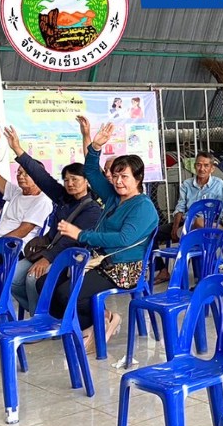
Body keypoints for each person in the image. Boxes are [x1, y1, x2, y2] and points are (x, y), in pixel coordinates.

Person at [52, 122, 159, 349]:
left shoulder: (143, 206)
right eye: (115, 175)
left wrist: (81, 234)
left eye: (125, 177)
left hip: (124, 268)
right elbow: (91, 171)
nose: (118, 181)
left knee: (66, 293)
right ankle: (103, 318)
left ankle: (96, 324)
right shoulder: (113, 197)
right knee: (50, 283)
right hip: (101, 261)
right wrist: (96, 146)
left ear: (138, 178)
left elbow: (123, 239)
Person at [2, 124, 103, 316]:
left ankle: (39, 319)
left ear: (86, 181)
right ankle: (43, 314)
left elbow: (71, 240)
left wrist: (46, 259)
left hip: (70, 254)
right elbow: (41, 177)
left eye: (75, 179)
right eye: (66, 180)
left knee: (32, 278)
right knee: (12, 279)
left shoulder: (92, 209)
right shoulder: (63, 197)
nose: (70, 184)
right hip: (48, 248)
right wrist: (17, 148)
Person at [0, 126, 54, 278]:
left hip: (12, 247)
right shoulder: (16, 192)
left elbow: (22, 231)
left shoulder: (42, 200)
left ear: (39, 176)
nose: (20, 176)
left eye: (26, 173)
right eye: (19, 172)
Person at [153, 151, 223, 284]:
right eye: (198, 165)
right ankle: (162, 270)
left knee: (196, 232)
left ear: (212, 168)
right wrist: (175, 227)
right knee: (152, 234)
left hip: (205, 224)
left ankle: (197, 276)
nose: (202, 169)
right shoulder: (187, 184)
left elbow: (220, 210)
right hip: (185, 222)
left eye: (206, 165)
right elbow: (180, 207)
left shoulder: (218, 184)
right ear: (194, 166)